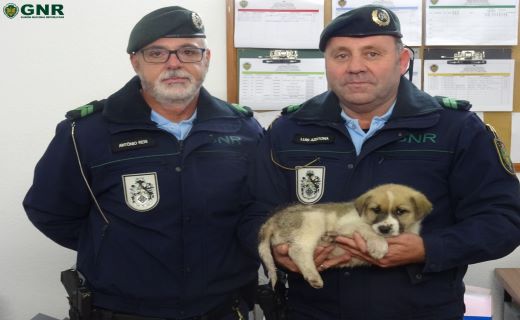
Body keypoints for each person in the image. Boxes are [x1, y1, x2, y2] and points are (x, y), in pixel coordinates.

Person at [244, 4, 520, 320]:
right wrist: (279, 253)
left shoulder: (456, 129)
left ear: (402, 61)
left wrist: (428, 248)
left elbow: (503, 221)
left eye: (372, 53)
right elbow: (253, 213)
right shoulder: (289, 130)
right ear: (327, 63)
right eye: (341, 55)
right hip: (313, 311)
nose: (355, 66)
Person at [23, 6, 263, 320]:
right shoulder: (86, 132)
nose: (174, 64)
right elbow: (50, 212)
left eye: (188, 51)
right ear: (135, 61)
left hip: (222, 307)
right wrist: (116, 245)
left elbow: (259, 209)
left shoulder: (244, 129)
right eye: (157, 53)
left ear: (206, 59)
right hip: (122, 309)